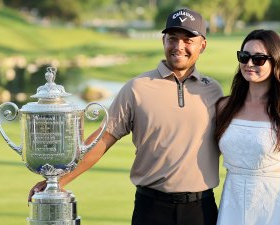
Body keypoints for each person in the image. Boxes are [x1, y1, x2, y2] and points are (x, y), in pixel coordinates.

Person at [28, 8, 223, 225]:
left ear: (202, 45)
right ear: (163, 41)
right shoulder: (136, 88)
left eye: (188, 40)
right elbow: (103, 139)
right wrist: (59, 180)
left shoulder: (213, 90)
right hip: (152, 208)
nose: (179, 46)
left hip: (201, 210)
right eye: (172, 39)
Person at [215, 29, 280, 225]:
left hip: (274, 208)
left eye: (258, 59)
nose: (249, 64)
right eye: (244, 57)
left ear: (276, 61)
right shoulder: (224, 107)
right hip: (231, 204)